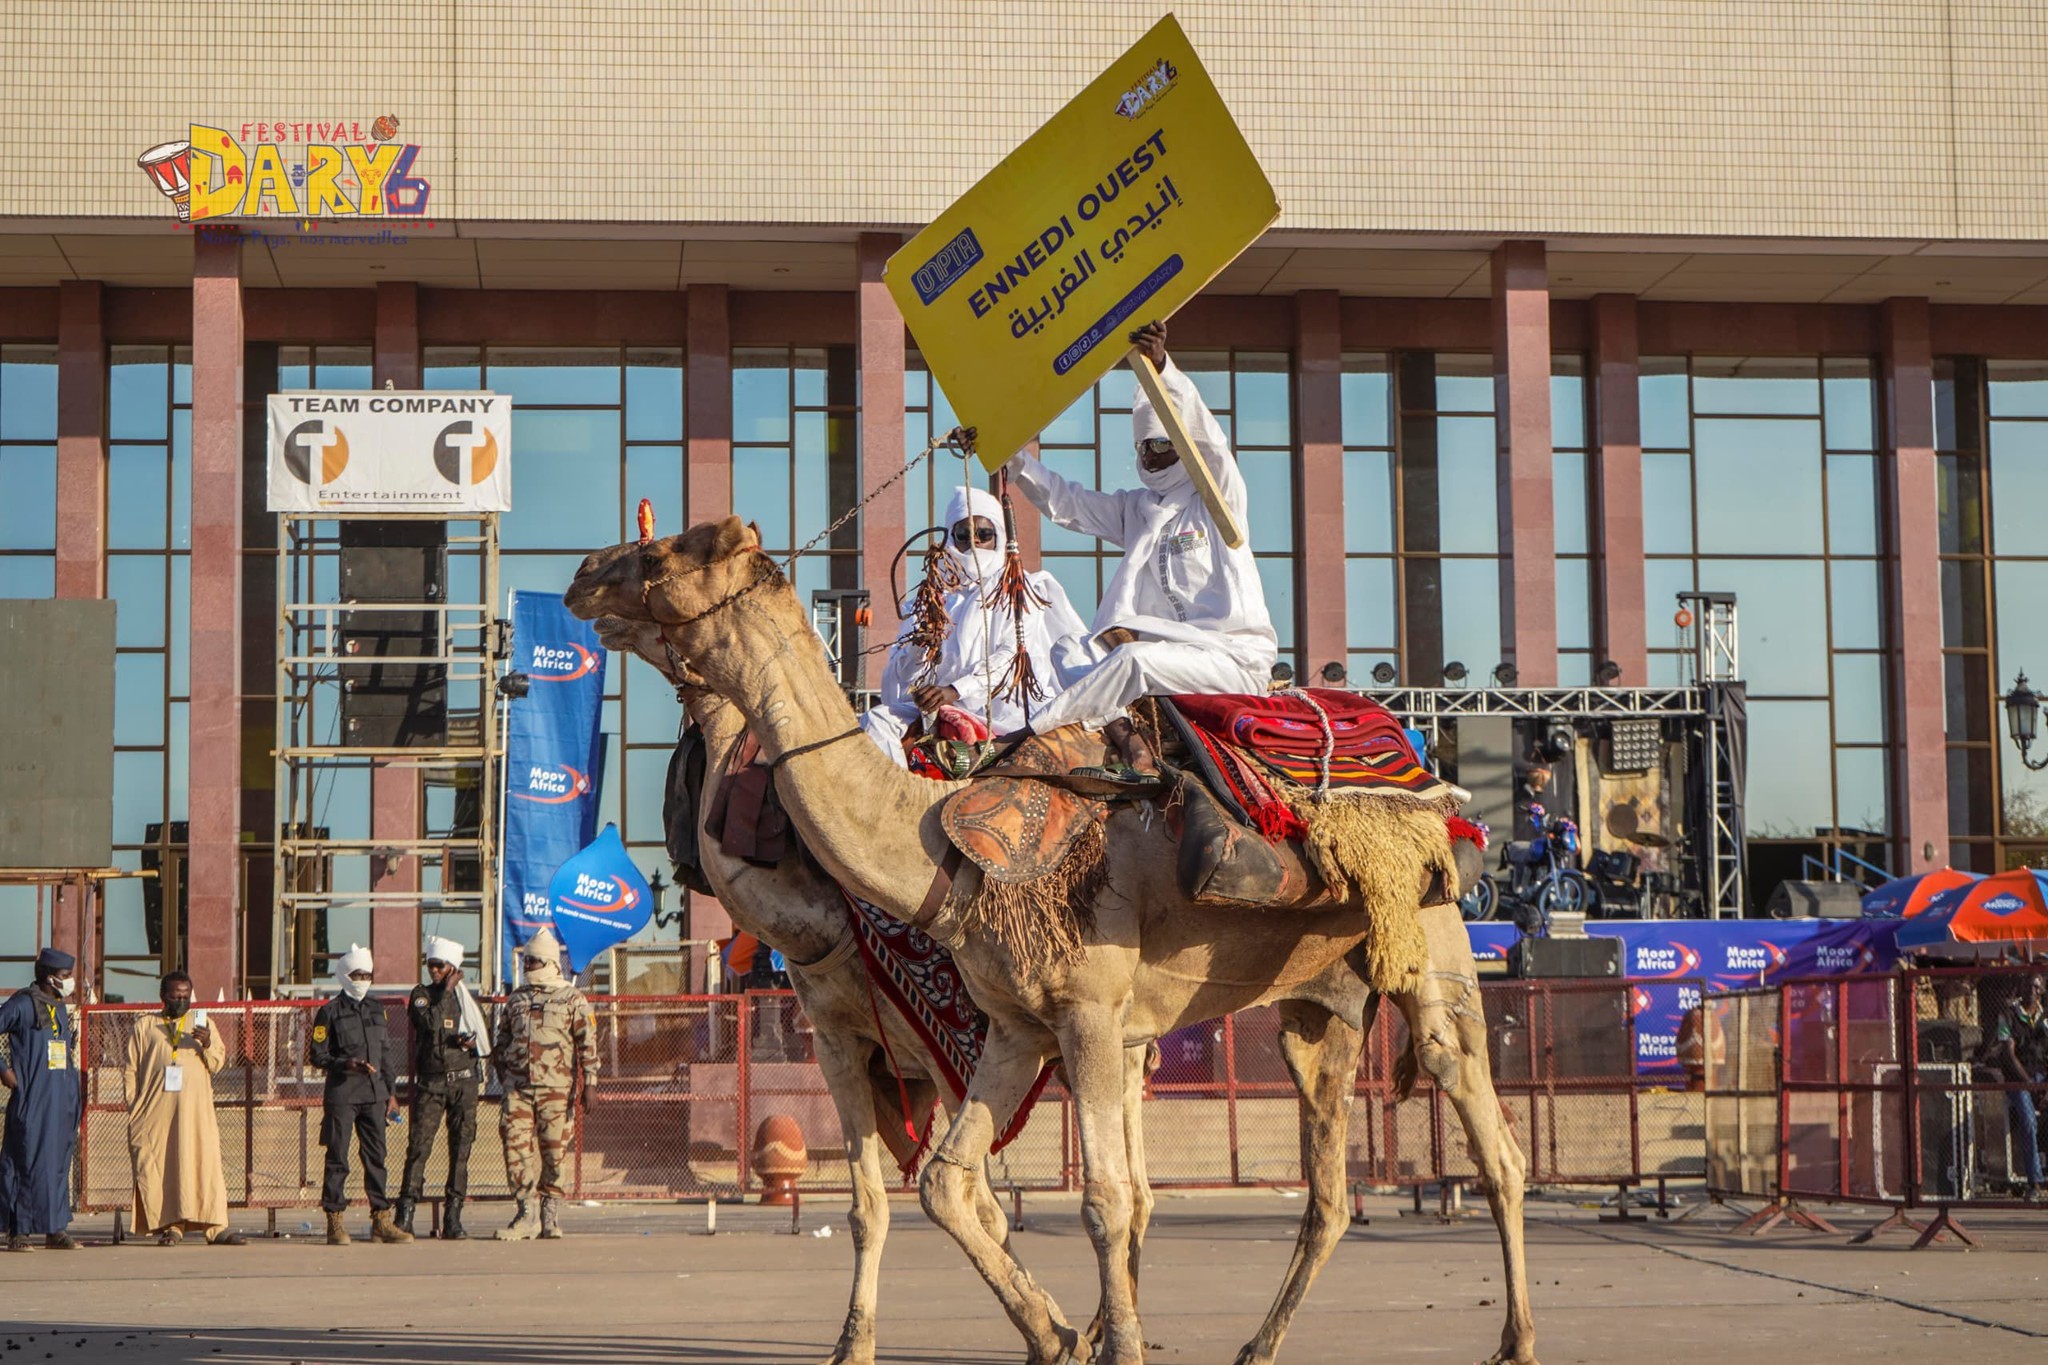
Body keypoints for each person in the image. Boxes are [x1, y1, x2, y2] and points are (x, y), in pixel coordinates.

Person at [1007, 319, 1276, 776]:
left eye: (1161, 444)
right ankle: (1127, 738)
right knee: (1069, 649)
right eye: (1142, 447)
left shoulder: (1216, 496)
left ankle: (1028, 733)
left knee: (1133, 659)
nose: (1150, 455)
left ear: (1182, 444)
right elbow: (1065, 502)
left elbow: (1212, 443)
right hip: (1169, 649)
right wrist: (1008, 455)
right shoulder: (1138, 509)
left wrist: (1162, 370)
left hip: (1230, 655)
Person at [861, 484, 1087, 768]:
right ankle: (897, 803)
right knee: (875, 721)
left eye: (983, 534)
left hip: (1010, 713)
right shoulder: (932, 597)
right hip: (942, 709)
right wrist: (920, 650)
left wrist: (956, 689)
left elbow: (1012, 655)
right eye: (963, 536)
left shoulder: (1020, 587)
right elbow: (899, 677)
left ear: (999, 537)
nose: (974, 544)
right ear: (951, 539)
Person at [124, 971, 243, 1246]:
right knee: (164, 1167)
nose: (181, 1001)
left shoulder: (202, 1022)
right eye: (175, 996)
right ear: (163, 997)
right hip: (156, 1112)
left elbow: (217, 1063)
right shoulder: (146, 1026)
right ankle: (172, 1226)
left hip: (195, 1114)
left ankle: (214, 1226)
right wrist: (134, 1106)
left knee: (202, 1165)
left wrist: (207, 1043)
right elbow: (131, 1069)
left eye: (186, 996)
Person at [492, 927, 597, 1240]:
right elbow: (503, 1036)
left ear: (549, 962)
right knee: (515, 1149)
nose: (527, 967)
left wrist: (590, 1082)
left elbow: (587, 1042)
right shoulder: (517, 999)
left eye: (534, 961)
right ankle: (526, 1214)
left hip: (556, 1090)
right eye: (526, 961)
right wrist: (503, 1066)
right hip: (518, 1091)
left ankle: (550, 1217)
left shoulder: (572, 999)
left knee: (554, 1154)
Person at [309, 944, 413, 1245]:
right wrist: (345, 1064)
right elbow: (317, 1055)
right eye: (357, 974)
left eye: (368, 974)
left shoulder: (376, 1009)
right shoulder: (328, 1012)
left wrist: (391, 1093)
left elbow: (385, 1055)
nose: (363, 979)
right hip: (342, 1094)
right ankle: (335, 1221)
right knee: (337, 1157)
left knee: (377, 1158)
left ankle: (381, 1219)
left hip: (374, 1095)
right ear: (344, 975)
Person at [395, 936, 490, 1240]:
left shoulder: (466, 1001)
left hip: (463, 1081)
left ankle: (453, 1217)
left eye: (440, 966)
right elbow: (431, 1023)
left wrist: (471, 1043)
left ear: (453, 967)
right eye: (431, 964)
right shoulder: (423, 995)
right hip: (432, 1083)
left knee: (461, 1149)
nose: (434, 970)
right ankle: (405, 1214)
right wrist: (446, 990)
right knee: (419, 1148)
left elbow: (483, 1038)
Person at [0, 948, 83, 1252]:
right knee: (25, 1160)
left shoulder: (58, 1007)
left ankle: (54, 1228)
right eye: (65, 977)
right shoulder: (22, 1004)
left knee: (56, 1162)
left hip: (60, 1098)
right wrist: (4, 1071)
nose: (69, 981)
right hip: (33, 1097)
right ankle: (18, 1231)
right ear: (50, 977)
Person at [1989, 973, 2048, 1201]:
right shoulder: (2008, 1015)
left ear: (2041, 990)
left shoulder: (2045, 1016)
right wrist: (2029, 1085)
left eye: (2034, 987)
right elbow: (2009, 1054)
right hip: (2018, 1079)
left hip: (2042, 1076)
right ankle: (2034, 1183)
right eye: (2026, 986)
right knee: (2028, 1120)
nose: (2029, 991)